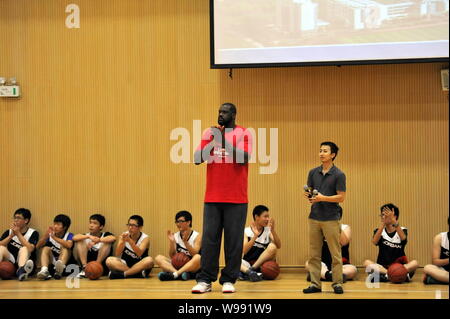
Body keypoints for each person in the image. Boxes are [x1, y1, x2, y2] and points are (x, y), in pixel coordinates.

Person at [192, 102, 252, 294]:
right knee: (210, 240)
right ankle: (205, 280)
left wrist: (223, 141)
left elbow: (243, 158)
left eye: (224, 112)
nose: (220, 114)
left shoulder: (244, 133)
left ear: (233, 114)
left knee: (233, 241)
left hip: (237, 198)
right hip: (212, 196)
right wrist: (213, 140)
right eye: (219, 111)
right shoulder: (210, 133)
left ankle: (228, 279)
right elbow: (197, 158)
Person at [303, 141, 346, 295]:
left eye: (325, 151)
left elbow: (341, 197)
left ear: (333, 155)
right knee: (314, 254)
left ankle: (337, 283)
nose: (321, 153)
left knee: (335, 253)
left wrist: (323, 198)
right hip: (314, 217)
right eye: (320, 150)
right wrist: (310, 196)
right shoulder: (312, 172)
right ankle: (315, 284)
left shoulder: (339, 174)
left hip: (331, 218)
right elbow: (311, 192)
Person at [363, 203, 419, 283]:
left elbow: (403, 239)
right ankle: (392, 275)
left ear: (395, 216)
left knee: (415, 263)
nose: (384, 217)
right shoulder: (379, 231)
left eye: (387, 215)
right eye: (382, 215)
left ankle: (388, 276)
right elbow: (374, 241)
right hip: (383, 267)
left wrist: (394, 221)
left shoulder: (402, 229)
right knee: (366, 263)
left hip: (400, 266)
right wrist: (383, 224)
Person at [305, 208, 357, 282]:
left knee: (352, 270)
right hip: (323, 263)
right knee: (308, 263)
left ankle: (321, 276)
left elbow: (344, 242)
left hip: (341, 264)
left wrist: (336, 226)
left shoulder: (345, 227)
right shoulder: (319, 228)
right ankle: (330, 276)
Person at [155, 210, 202, 281]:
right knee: (158, 258)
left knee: (198, 258)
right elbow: (172, 256)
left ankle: (174, 274)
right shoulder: (176, 235)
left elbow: (194, 254)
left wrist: (185, 242)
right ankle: (177, 274)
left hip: (192, 266)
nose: (178, 224)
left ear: (188, 222)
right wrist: (172, 242)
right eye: (177, 221)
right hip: (178, 265)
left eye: (181, 221)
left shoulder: (197, 236)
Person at [239, 205, 281, 281]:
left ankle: (250, 271)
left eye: (268, 217)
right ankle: (249, 273)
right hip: (247, 263)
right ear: (256, 217)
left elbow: (279, 245)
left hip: (261, 264)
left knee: (273, 246)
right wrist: (255, 236)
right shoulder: (246, 231)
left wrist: (273, 231)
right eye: (265, 216)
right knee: (234, 259)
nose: (267, 219)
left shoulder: (268, 230)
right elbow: (244, 251)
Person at [105, 215, 153, 279]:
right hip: (125, 265)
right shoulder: (124, 235)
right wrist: (122, 242)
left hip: (140, 265)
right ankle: (135, 274)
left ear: (140, 227)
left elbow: (139, 253)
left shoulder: (145, 238)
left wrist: (130, 241)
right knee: (109, 260)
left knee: (149, 260)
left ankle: (123, 275)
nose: (130, 227)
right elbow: (117, 254)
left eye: (133, 225)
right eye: (129, 225)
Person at [0, 208, 39, 281]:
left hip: (26, 262)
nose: (15, 220)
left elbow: (31, 248)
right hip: (11, 262)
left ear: (26, 220)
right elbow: (1, 244)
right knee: (1, 248)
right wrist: (10, 236)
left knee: (24, 248)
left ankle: (21, 271)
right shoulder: (9, 232)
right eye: (15, 218)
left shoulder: (33, 233)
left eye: (18, 218)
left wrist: (18, 234)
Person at [72, 214, 116, 278]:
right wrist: (88, 236)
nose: (91, 225)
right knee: (80, 240)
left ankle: (97, 266)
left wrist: (99, 240)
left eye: (95, 223)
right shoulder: (86, 236)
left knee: (107, 242)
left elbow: (113, 238)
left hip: (101, 267)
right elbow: (74, 238)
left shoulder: (106, 234)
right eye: (90, 222)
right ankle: (84, 268)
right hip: (87, 265)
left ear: (101, 227)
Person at [36, 214, 75, 280]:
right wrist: (46, 236)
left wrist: (54, 237)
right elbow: (37, 246)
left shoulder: (69, 235)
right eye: (54, 224)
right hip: (52, 263)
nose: (55, 226)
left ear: (64, 227)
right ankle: (44, 270)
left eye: (58, 224)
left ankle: (59, 270)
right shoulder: (50, 235)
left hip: (65, 264)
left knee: (65, 248)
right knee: (45, 248)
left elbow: (69, 245)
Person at [423, 217, 449, 285]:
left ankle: (433, 279)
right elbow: (435, 262)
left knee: (429, 276)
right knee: (427, 267)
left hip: (444, 276)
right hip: (443, 271)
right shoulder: (440, 238)